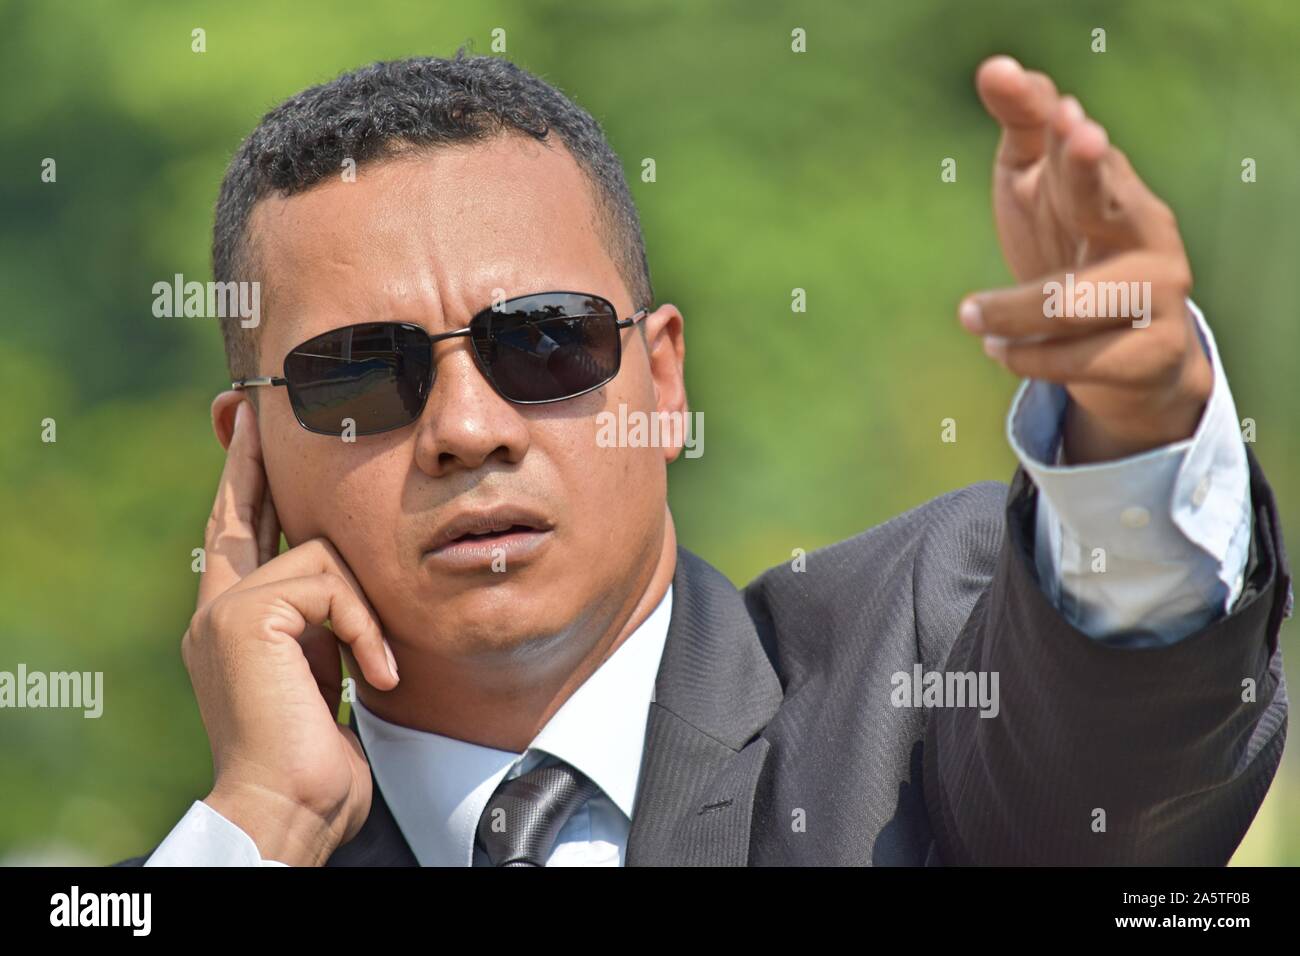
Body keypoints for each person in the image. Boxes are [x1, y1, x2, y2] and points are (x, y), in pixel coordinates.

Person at [114, 49, 1290, 866]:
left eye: (543, 342)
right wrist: (263, 813)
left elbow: (1119, 761)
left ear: (663, 379)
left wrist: (1139, 439)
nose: (470, 428)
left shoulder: (919, 678)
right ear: (252, 447)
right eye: (362, 374)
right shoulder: (215, 852)